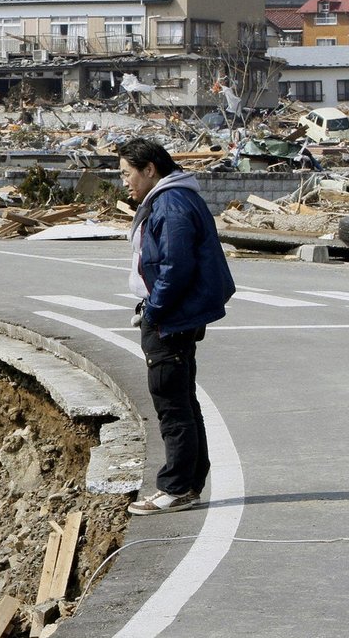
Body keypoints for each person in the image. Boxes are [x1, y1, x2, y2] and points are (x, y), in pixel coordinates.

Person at [118, 138, 235, 516]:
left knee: (171, 403)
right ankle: (190, 482)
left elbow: (175, 266)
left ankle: (176, 487)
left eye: (126, 174)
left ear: (149, 169)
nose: (124, 183)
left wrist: (153, 311)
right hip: (177, 315)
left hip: (171, 318)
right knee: (183, 400)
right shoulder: (176, 197)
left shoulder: (171, 202)